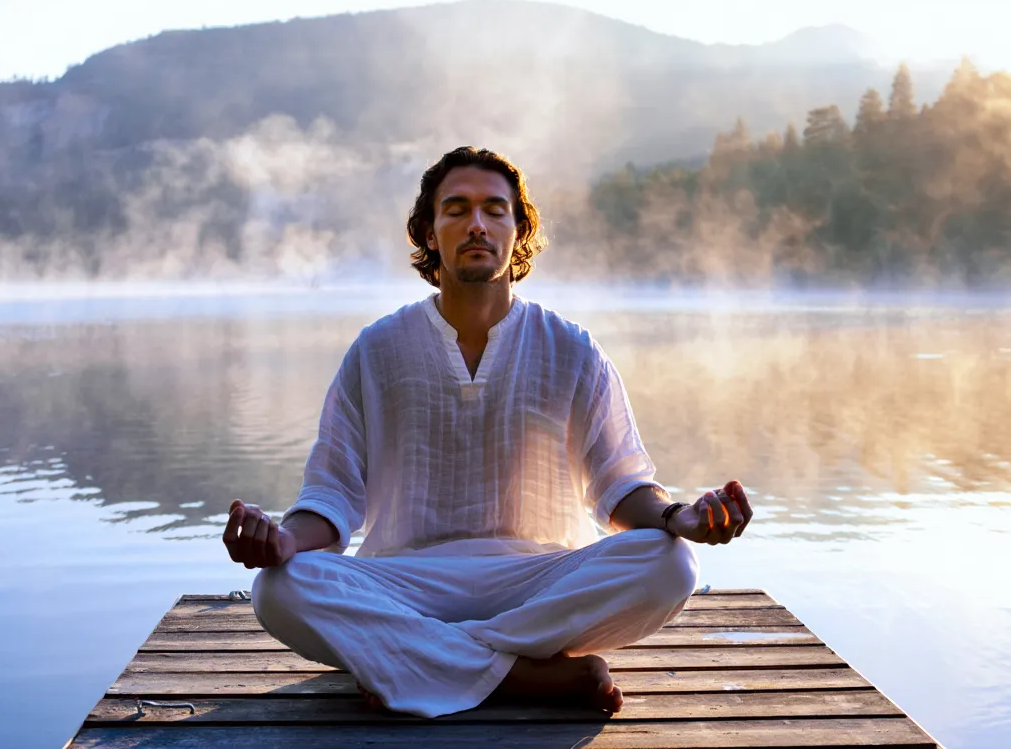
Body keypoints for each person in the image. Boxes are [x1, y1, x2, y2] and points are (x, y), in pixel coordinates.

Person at [222, 146, 754, 719]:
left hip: (537, 580)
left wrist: (681, 519)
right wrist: (282, 542)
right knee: (279, 587)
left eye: (494, 210)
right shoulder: (376, 350)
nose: (476, 224)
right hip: (406, 582)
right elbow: (329, 502)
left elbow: (622, 488)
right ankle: (525, 676)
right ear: (428, 232)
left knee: (672, 563)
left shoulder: (571, 349)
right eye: (456, 209)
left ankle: (417, 661)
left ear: (518, 231)